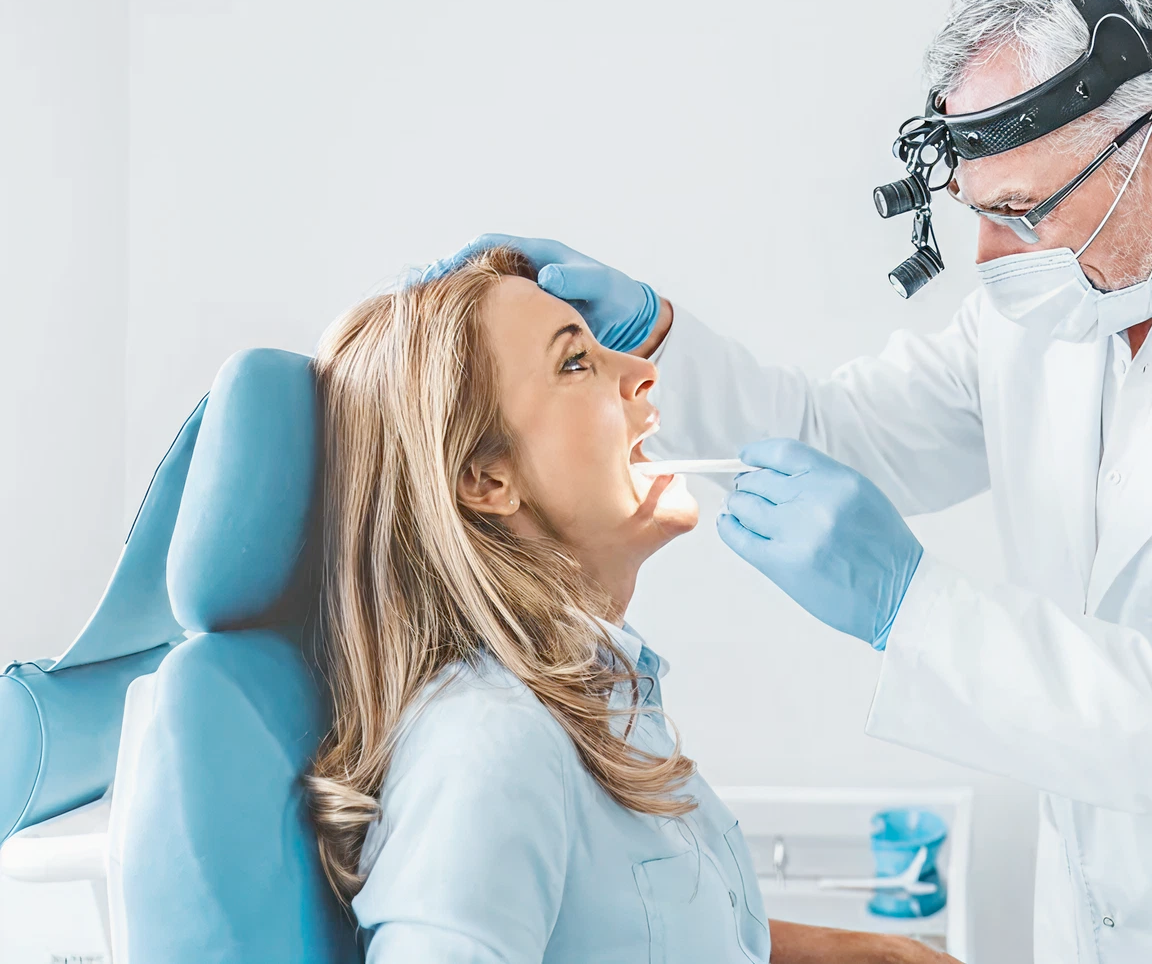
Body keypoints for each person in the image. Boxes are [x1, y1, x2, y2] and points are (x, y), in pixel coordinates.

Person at [450, 0, 1152, 964]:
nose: (987, 258)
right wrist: (660, 340)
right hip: (1095, 924)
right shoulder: (1060, 310)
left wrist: (909, 609)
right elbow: (842, 438)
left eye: (1019, 212)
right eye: (974, 210)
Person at [304, 247, 958, 964]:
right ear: (486, 479)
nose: (645, 370)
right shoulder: (489, 744)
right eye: (576, 363)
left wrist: (868, 954)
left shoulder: (599, 699)